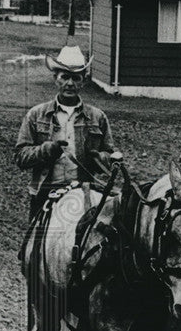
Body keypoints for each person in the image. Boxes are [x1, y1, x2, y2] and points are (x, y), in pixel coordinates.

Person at [14, 43, 115, 221]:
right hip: (45, 194)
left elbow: (112, 159)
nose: (70, 83)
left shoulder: (97, 117)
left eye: (76, 78)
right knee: (34, 247)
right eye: (65, 77)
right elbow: (20, 157)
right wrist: (46, 150)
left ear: (83, 81)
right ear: (56, 79)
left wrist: (99, 158)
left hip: (84, 194)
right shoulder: (36, 115)